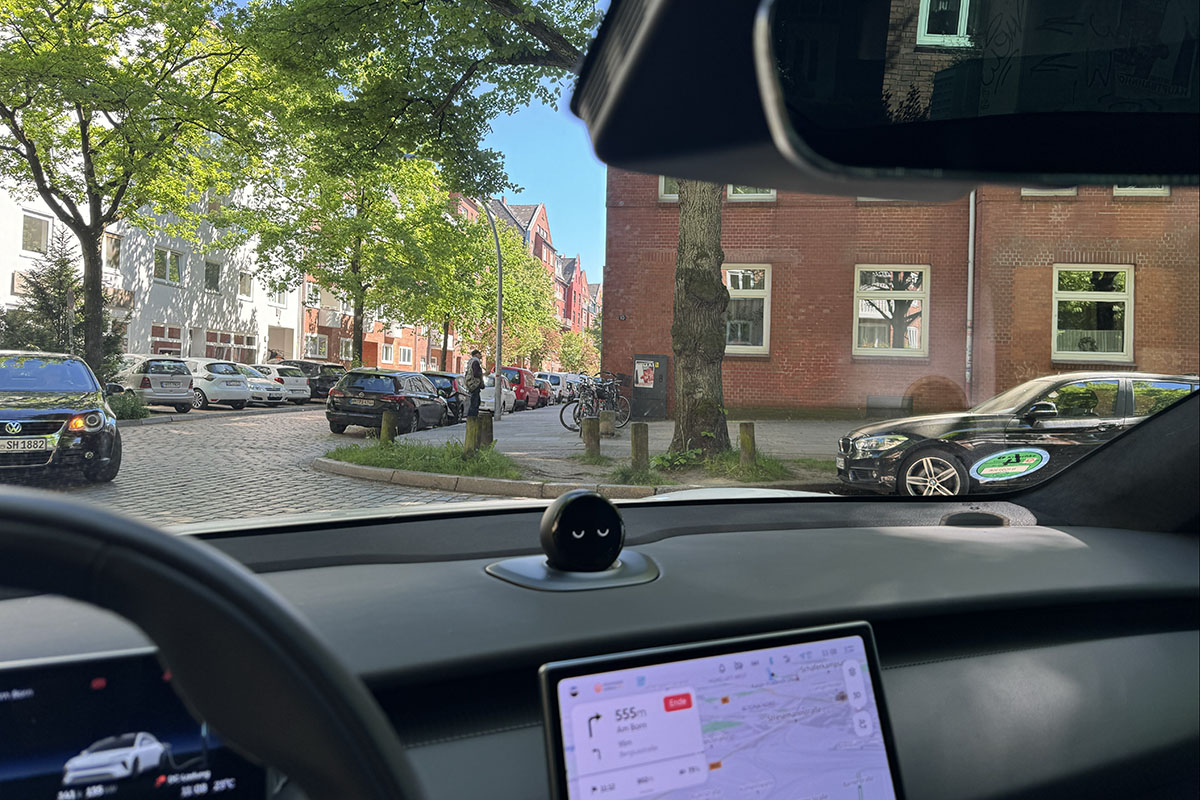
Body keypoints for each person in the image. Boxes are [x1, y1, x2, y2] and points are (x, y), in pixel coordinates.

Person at [464, 349, 484, 417]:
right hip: (475, 384)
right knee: (475, 402)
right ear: (476, 355)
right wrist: (482, 374)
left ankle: (472, 417)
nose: (480, 355)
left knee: (475, 401)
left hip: (471, 384)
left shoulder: (470, 362)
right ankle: (472, 418)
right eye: (479, 354)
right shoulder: (476, 362)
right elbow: (476, 373)